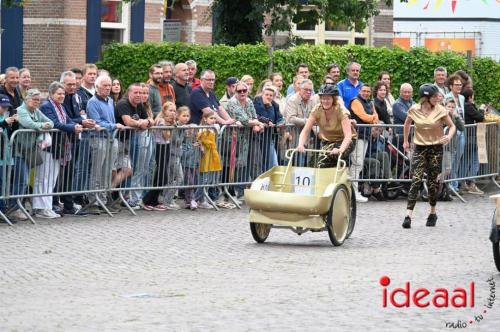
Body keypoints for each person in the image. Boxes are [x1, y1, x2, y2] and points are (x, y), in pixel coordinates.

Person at [402, 84, 456, 229]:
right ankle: (408, 215)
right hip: (419, 147)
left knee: (432, 183)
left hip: (435, 148)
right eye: (434, 96)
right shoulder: (414, 109)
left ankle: (432, 212)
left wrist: (448, 137)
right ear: (426, 98)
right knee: (416, 179)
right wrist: (405, 141)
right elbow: (407, 124)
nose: (437, 98)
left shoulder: (441, 110)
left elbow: (452, 126)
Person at [39, 82, 83, 218]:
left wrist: (77, 125)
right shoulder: (47, 106)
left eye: (63, 93)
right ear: (51, 94)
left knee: (52, 178)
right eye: (59, 93)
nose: (62, 96)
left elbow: (68, 120)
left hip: (59, 146)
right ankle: (42, 208)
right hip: (49, 147)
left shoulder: (60, 106)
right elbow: (55, 123)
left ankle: (47, 207)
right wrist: (73, 128)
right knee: (45, 178)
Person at [86, 75, 127, 214]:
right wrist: (113, 125)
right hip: (99, 139)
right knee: (97, 171)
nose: (108, 88)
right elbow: (96, 121)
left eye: (109, 85)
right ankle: (93, 201)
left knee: (108, 171)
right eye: (105, 85)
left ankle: (103, 199)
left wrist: (112, 126)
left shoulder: (110, 101)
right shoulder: (92, 102)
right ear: (97, 87)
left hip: (111, 139)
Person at [13, 90, 53, 221]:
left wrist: (42, 125)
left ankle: (18, 206)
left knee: (24, 180)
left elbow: (51, 122)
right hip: (18, 150)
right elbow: (27, 123)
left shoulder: (36, 111)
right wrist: (42, 125)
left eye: (38, 100)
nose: (37, 102)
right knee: (22, 180)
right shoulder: (21, 110)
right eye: (34, 99)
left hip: (29, 150)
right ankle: (15, 207)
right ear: (27, 99)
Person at [296, 84, 354, 168]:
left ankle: (345, 167)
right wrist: (300, 144)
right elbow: (306, 130)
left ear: (333, 99)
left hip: (344, 140)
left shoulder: (342, 111)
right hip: (328, 140)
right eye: (323, 98)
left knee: (338, 156)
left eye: (328, 99)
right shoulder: (317, 109)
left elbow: (348, 135)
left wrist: (340, 149)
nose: (325, 101)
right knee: (321, 164)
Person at [115, 83, 154, 208]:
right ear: (129, 93)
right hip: (117, 141)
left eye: (140, 92)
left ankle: (118, 195)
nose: (138, 95)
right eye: (135, 92)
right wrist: (140, 123)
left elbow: (150, 120)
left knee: (129, 170)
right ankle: (110, 195)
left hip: (129, 141)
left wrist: (145, 121)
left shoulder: (139, 105)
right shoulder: (123, 103)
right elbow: (128, 121)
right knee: (113, 170)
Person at [141, 102, 176, 211]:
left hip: (166, 146)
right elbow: (166, 136)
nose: (173, 113)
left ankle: (154, 200)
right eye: (170, 110)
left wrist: (171, 124)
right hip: (159, 147)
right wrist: (170, 125)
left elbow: (169, 137)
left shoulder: (168, 121)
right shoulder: (161, 121)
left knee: (162, 176)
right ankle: (146, 200)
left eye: (174, 111)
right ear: (164, 111)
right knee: (162, 176)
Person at [348, 84, 379, 203]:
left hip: (365, 135)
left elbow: (375, 116)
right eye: (364, 91)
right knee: (356, 163)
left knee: (359, 164)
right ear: (359, 91)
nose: (366, 93)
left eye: (368, 91)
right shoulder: (355, 102)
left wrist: (373, 118)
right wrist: (373, 119)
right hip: (357, 135)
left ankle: (354, 191)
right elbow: (363, 116)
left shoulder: (370, 103)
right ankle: (353, 192)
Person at [163, 106, 191, 210]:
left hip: (177, 155)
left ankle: (167, 200)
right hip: (172, 155)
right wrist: (183, 131)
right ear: (178, 116)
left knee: (171, 179)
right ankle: (167, 200)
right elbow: (177, 141)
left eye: (188, 116)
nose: (186, 118)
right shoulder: (176, 127)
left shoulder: (182, 127)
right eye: (184, 116)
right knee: (179, 178)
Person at [195, 110, 222, 209]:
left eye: (215, 118)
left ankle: (202, 200)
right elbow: (200, 140)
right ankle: (195, 199)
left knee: (209, 179)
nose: (214, 120)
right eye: (211, 118)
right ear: (205, 119)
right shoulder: (203, 129)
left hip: (212, 155)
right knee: (203, 179)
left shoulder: (213, 129)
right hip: (205, 156)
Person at [254, 86, 285, 171]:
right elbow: (265, 117)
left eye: (271, 95)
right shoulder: (257, 102)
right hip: (259, 137)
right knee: (264, 162)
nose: (268, 97)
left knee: (272, 162)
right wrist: (269, 106)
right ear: (262, 94)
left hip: (270, 137)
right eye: (266, 94)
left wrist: (280, 123)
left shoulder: (275, 104)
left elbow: (280, 118)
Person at [445, 74, 466, 193]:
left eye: (460, 85)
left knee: (458, 158)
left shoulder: (462, 98)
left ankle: (454, 183)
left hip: (461, 130)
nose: (459, 87)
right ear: (451, 86)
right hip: (452, 131)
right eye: (456, 85)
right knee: (451, 158)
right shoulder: (447, 97)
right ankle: (450, 184)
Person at [462, 88, 485, 195]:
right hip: (471, 137)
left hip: (468, 136)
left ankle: (463, 183)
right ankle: (471, 183)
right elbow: (479, 117)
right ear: (470, 97)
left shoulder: (464, 105)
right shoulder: (468, 105)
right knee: (474, 160)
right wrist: (481, 109)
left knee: (465, 161)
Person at [392, 83, 414, 149]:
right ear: (400, 92)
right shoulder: (397, 104)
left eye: (409, 92)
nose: (407, 94)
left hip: (411, 134)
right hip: (401, 135)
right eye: (405, 92)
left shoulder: (412, 102)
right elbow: (406, 117)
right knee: (402, 158)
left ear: (412, 93)